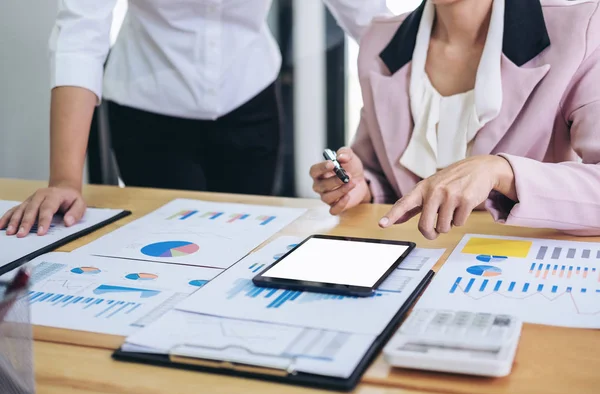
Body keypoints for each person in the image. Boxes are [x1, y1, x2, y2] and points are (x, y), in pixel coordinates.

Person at [0, 0, 390, 238]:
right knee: (171, 247)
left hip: (250, 98)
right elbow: (79, 36)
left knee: (244, 245)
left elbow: (372, 22)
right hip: (148, 105)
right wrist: (65, 180)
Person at [310, 0, 600, 239]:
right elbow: (380, 173)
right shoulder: (381, 39)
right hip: (415, 259)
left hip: (519, 263)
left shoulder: (581, 30)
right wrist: (364, 189)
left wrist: (500, 172)